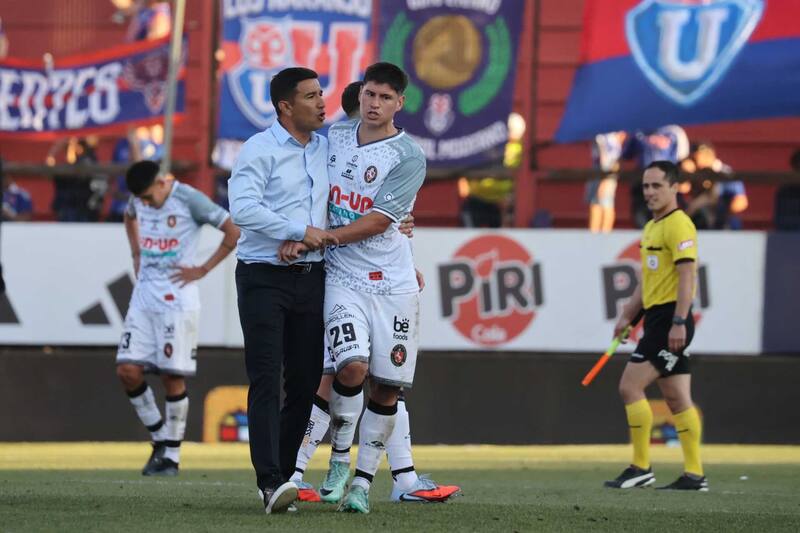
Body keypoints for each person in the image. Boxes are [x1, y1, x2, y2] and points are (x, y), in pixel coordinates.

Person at [287, 80, 459, 505]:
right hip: (334, 276)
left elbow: (381, 218)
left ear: (398, 104)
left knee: (382, 381)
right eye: (367, 99)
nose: (371, 108)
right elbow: (320, 201)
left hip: (378, 278)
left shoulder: (400, 155)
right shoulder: (330, 145)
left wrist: (404, 244)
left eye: (383, 98)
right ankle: (301, 470)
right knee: (343, 372)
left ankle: (390, 479)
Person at [228, 67, 338, 515]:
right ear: (285, 107)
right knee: (266, 376)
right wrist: (297, 230)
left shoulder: (328, 149)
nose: (321, 102)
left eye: (321, 93)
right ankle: (269, 480)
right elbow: (242, 209)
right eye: (311, 96)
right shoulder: (259, 149)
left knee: (307, 379)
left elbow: (343, 201)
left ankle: (288, 474)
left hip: (312, 276)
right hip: (263, 276)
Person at [116, 160, 239, 477]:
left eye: (148, 197)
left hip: (177, 299)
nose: (144, 204)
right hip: (143, 295)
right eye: (140, 199)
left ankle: (171, 456)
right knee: (128, 370)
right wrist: (136, 253)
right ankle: (159, 437)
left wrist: (202, 269)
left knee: (172, 376)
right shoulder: (139, 199)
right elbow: (129, 217)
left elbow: (232, 231)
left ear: (161, 183)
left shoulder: (189, 199)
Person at [606, 160, 707, 492]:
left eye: (656, 186)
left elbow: (687, 274)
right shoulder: (652, 227)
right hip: (657, 320)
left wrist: (679, 321)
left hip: (670, 322)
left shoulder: (679, 225)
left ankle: (640, 468)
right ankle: (694, 475)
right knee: (678, 399)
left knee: (629, 387)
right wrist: (626, 316)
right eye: (646, 186)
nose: (649, 192)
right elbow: (646, 281)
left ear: (674, 188)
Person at [587, 132, 626, 233]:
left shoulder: (605, 137)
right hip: (606, 167)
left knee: (604, 201)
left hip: (605, 168)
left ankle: (602, 233)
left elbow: (605, 156)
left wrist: (603, 178)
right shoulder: (610, 137)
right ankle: (597, 232)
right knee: (597, 201)